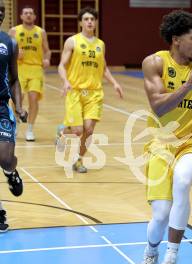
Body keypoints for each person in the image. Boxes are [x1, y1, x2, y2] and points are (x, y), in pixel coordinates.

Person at [137, 10, 192, 264]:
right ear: (175, 40)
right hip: (160, 143)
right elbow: (158, 105)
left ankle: (171, 259)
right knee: (160, 215)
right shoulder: (154, 63)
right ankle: (151, 252)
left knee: (182, 181)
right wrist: (186, 86)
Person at [57, 7, 123, 173]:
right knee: (78, 130)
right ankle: (62, 131)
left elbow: (104, 68)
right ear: (81, 22)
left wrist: (115, 83)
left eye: (92, 19)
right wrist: (65, 81)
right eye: (86, 19)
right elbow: (61, 65)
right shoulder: (72, 41)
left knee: (89, 129)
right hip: (75, 91)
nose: (89, 22)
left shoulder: (101, 44)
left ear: (95, 22)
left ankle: (78, 160)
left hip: (94, 93)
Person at [0, 0, 28, 232]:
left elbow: (15, 77)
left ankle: (11, 172)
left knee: (5, 158)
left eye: (2, 12)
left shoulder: (9, 42)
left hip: (1, 106)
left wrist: (19, 106)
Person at [9, 6, 51, 141]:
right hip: (19, 69)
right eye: (25, 13)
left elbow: (47, 50)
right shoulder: (14, 31)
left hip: (35, 69)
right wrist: (14, 54)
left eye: (31, 13)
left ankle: (30, 129)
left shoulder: (41, 32)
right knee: (17, 99)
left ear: (34, 17)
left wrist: (47, 59)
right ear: (21, 16)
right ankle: (15, 125)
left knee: (33, 98)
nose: (28, 15)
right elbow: (5, 50)